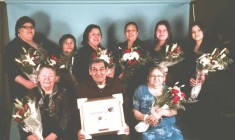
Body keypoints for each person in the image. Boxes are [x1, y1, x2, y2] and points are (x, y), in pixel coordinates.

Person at [3, 16, 59, 140]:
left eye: (31, 27)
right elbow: (9, 69)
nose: (29, 29)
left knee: (46, 122)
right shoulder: (12, 46)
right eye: (25, 27)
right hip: (24, 91)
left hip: (42, 89)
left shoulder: (39, 43)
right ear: (18, 30)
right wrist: (25, 82)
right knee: (29, 127)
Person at [76, 59, 130, 140]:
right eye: (94, 70)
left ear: (107, 70)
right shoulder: (82, 88)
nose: (98, 73)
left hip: (115, 129)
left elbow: (126, 107)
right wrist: (79, 130)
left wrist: (125, 124)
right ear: (90, 72)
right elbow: (76, 113)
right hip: (91, 131)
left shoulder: (116, 84)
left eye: (101, 69)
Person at [133, 65, 183, 140]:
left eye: (159, 76)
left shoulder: (170, 91)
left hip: (169, 127)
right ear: (147, 77)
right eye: (153, 76)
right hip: (148, 128)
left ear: (164, 78)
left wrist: (161, 113)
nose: (156, 78)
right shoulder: (140, 90)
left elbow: (174, 111)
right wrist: (146, 118)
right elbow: (135, 111)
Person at [25, 65, 72, 140]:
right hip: (35, 136)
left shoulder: (64, 92)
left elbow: (66, 116)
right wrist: (31, 136)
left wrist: (53, 135)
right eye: (43, 75)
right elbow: (23, 117)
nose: (47, 78)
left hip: (59, 135)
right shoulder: (30, 94)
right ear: (38, 78)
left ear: (55, 78)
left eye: (51, 75)